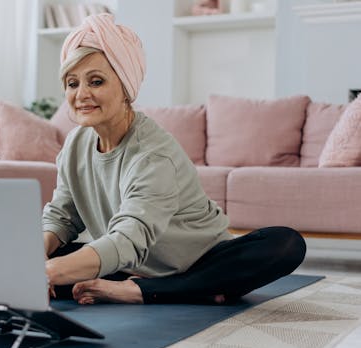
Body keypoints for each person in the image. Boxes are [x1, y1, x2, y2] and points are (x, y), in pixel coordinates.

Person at [42, 13, 306, 305]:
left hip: (199, 262)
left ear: (126, 88)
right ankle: (183, 290)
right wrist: (38, 258)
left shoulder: (153, 154)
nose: (81, 95)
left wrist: (48, 273)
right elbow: (63, 216)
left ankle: (142, 290)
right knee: (41, 254)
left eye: (96, 81)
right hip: (129, 262)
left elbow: (130, 238)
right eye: (72, 83)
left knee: (286, 244)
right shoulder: (75, 144)